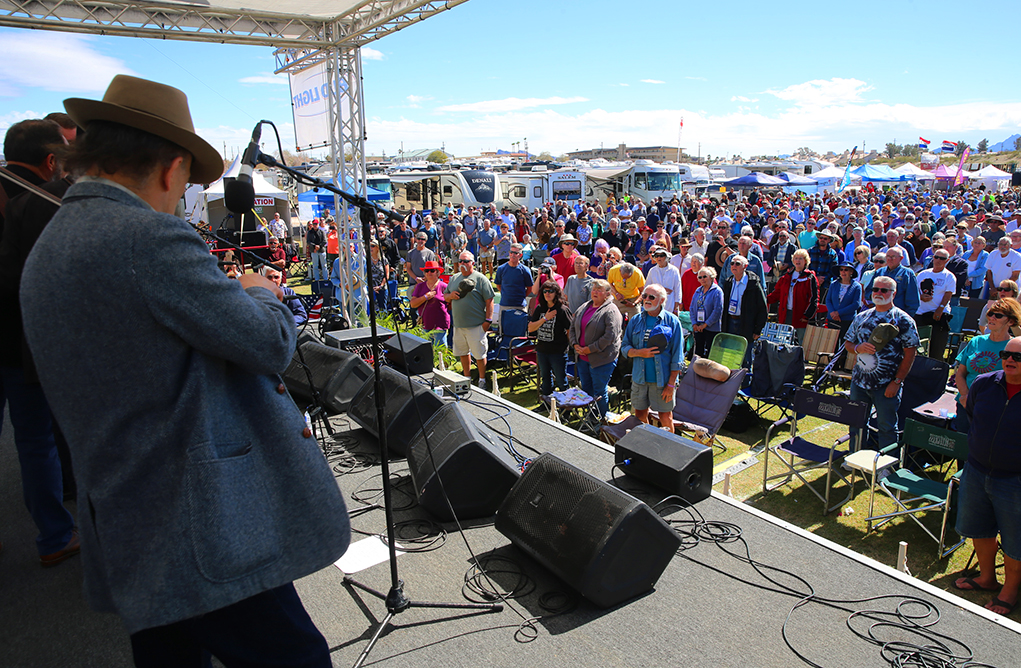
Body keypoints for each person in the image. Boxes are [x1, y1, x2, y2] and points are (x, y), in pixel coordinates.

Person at [19, 75, 349, 664]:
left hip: (129, 516)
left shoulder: (54, 241)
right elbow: (271, 342)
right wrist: (256, 291)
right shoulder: (147, 238)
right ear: (172, 168)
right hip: (202, 521)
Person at [0, 118, 79, 567]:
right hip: (25, 341)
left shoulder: (21, 202)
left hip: (15, 337)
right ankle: (55, 535)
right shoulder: (50, 202)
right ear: (51, 161)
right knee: (37, 440)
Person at [953, 335, 1021, 617]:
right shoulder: (984, 383)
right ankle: (987, 578)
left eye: (1018, 357)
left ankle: (1010, 590)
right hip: (977, 469)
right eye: (1006, 354)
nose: (1009, 360)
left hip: (1015, 479)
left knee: (1016, 538)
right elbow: (973, 418)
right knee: (979, 529)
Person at [843, 275, 920, 450]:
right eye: (875, 289)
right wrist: (858, 348)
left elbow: (910, 353)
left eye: (884, 290)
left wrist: (897, 382)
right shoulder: (862, 316)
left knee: (886, 427)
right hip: (859, 382)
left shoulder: (903, 320)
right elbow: (848, 343)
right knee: (856, 423)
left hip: (886, 384)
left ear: (894, 293)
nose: (878, 293)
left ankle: (887, 467)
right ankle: (855, 457)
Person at [953, 298, 1021, 434]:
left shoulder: (1013, 347)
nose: (992, 318)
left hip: (994, 408)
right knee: (961, 448)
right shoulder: (976, 341)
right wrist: (966, 396)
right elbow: (960, 373)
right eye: (990, 314)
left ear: (1011, 321)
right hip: (965, 405)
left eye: (998, 315)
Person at [622, 284, 685, 432]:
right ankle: (648, 446)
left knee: (665, 417)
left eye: (651, 297)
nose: (646, 300)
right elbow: (624, 347)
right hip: (639, 378)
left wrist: (671, 385)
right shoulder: (635, 320)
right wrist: (639, 353)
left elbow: (678, 357)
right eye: (644, 296)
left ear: (662, 300)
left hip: (662, 381)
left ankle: (668, 450)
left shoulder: (672, 321)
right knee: (639, 415)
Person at [568, 279, 622, 420]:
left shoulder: (611, 310)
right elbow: (573, 327)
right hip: (582, 357)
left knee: (599, 391)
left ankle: (603, 420)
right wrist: (574, 344)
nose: (595, 292)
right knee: (586, 389)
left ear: (607, 294)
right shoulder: (585, 306)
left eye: (599, 290)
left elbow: (610, 336)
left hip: (601, 359)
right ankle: (590, 417)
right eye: (594, 289)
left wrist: (590, 349)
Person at [444, 251, 495, 389]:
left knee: (479, 354)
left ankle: (482, 380)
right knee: (463, 353)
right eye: (460, 261)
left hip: (477, 325)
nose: (463, 264)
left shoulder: (480, 278)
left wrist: (488, 321)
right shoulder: (454, 278)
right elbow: (445, 296)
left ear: (473, 262)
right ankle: (467, 378)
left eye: (466, 261)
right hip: (459, 325)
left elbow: (490, 300)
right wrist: (450, 296)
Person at [528, 280, 572, 396]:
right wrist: (545, 319)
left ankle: (566, 408)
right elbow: (531, 328)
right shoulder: (540, 308)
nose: (547, 294)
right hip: (542, 350)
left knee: (561, 380)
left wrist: (570, 346)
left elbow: (570, 330)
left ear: (556, 293)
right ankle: (548, 404)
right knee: (546, 379)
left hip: (558, 352)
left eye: (551, 291)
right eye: (545, 291)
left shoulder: (562, 310)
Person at [721, 254, 767, 356]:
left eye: (737, 264)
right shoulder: (728, 282)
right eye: (732, 263)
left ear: (745, 266)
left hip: (746, 323)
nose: (734, 266)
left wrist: (758, 329)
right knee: (730, 354)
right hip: (730, 322)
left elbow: (762, 308)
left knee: (745, 355)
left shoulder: (753, 283)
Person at [914, 248, 957, 360]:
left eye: (942, 258)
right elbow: (915, 291)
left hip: (938, 315)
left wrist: (940, 309)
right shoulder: (922, 274)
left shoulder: (949, 276)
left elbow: (948, 294)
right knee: (918, 346)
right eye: (936, 257)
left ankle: (934, 372)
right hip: (921, 313)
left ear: (947, 260)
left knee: (936, 348)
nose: (938, 260)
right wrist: (921, 297)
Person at [409, 260, 450, 348]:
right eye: (427, 271)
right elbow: (413, 304)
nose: (429, 273)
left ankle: (443, 362)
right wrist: (425, 297)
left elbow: (450, 304)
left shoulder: (444, 286)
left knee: (442, 350)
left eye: (432, 271)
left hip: (440, 323)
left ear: (438, 273)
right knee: (426, 351)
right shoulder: (420, 287)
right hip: (425, 323)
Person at [689, 266, 723, 359]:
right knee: (698, 353)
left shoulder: (717, 291)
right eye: (700, 277)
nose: (702, 279)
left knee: (709, 354)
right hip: (698, 327)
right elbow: (692, 308)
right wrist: (694, 323)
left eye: (705, 276)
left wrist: (705, 325)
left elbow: (717, 311)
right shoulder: (698, 290)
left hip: (711, 328)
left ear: (711, 277)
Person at [824, 262, 862, 341]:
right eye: (841, 270)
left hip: (847, 320)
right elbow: (828, 300)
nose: (843, 272)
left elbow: (856, 304)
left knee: (844, 345)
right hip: (832, 319)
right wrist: (832, 313)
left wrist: (838, 313)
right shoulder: (833, 284)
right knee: (831, 344)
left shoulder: (856, 286)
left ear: (851, 272)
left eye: (846, 270)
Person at [494, 242, 531, 324]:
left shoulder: (525, 270)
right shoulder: (501, 269)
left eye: (515, 253)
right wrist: (505, 293)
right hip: (505, 304)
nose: (512, 255)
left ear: (520, 255)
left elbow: (529, 288)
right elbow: (498, 285)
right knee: (504, 331)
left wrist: (521, 296)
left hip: (520, 306)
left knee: (520, 331)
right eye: (511, 252)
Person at [645, 247, 683, 315]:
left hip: (670, 305)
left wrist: (676, 307)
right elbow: (647, 287)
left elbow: (678, 289)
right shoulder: (652, 271)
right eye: (657, 256)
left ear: (666, 257)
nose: (659, 258)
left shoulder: (674, 270)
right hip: (655, 305)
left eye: (661, 255)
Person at [367, 239, 390, 313]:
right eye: (369, 246)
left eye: (373, 246)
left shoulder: (383, 260)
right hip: (370, 288)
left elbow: (387, 275)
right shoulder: (366, 260)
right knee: (371, 308)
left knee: (382, 309)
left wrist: (380, 286)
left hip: (382, 287)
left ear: (377, 248)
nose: (371, 248)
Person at [306, 218, 328, 283]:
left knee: (324, 265)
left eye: (316, 224)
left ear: (318, 224)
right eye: (314, 224)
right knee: (315, 265)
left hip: (321, 250)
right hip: (314, 251)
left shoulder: (322, 232)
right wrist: (314, 246)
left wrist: (319, 246)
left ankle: (325, 278)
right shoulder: (310, 233)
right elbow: (308, 241)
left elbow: (324, 241)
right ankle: (316, 279)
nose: (315, 225)